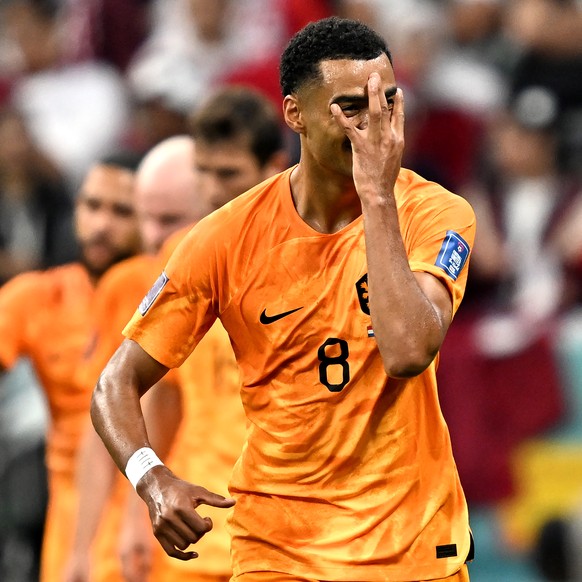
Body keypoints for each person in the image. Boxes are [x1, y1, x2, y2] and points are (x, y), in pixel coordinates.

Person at [92, 16, 476, 581]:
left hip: (411, 547)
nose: (376, 125)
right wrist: (151, 477)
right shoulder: (226, 238)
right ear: (295, 114)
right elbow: (114, 384)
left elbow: (407, 351)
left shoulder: (437, 214)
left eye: (387, 101)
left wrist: (376, 198)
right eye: (351, 107)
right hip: (279, 551)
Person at [67, 86, 289, 582]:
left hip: (279, 531)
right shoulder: (183, 268)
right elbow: (147, 398)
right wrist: (135, 511)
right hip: (193, 529)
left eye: (226, 173)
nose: (212, 189)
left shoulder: (307, 260)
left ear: (273, 167)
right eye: (203, 173)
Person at [0, 151, 142, 582]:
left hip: (148, 511)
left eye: (121, 211)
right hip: (70, 516)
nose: (101, 224)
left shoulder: (175, 296)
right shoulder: (41, 297)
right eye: (92, 205)